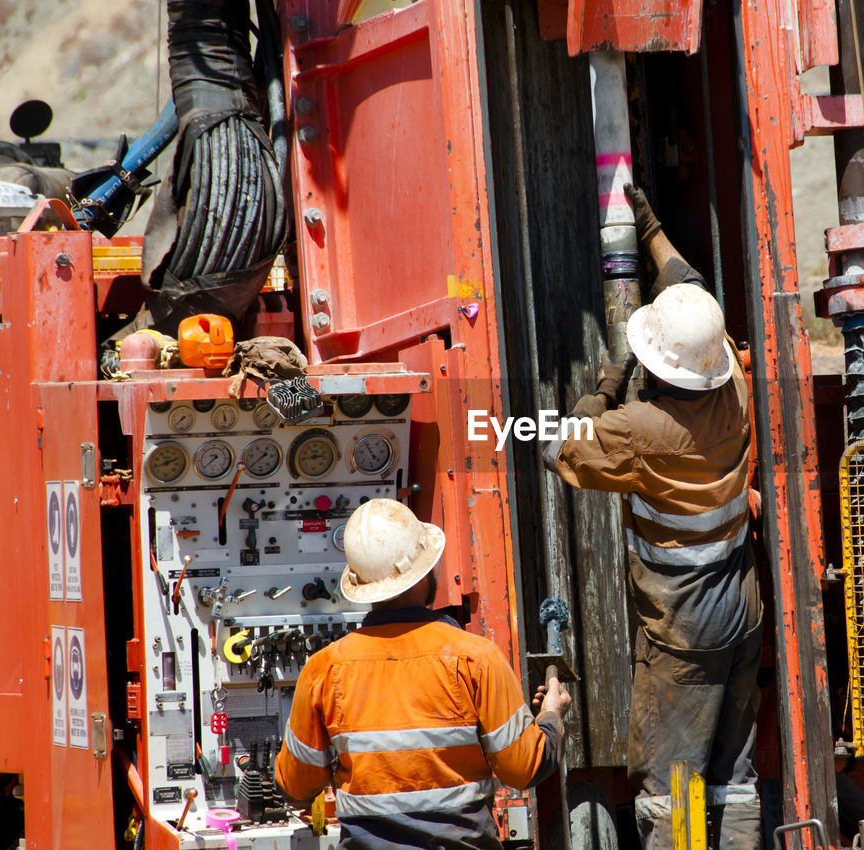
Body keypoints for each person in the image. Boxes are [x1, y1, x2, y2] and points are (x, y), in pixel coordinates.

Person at [543, 185, 762, 849]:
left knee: (674, 788)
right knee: (735, 775)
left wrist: (606, 383)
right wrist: (652, 228)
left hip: (685, 631)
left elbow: (561, 450)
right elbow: (690, 290)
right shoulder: (736, 389)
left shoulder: (642, 428)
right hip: (742, 611)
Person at [275, 498, 572, 849]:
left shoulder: (323, 670)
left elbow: (295, 786)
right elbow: (524, 768)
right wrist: (552, 715)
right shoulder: (476, 658)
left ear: (361, 583)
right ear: (426, 571)